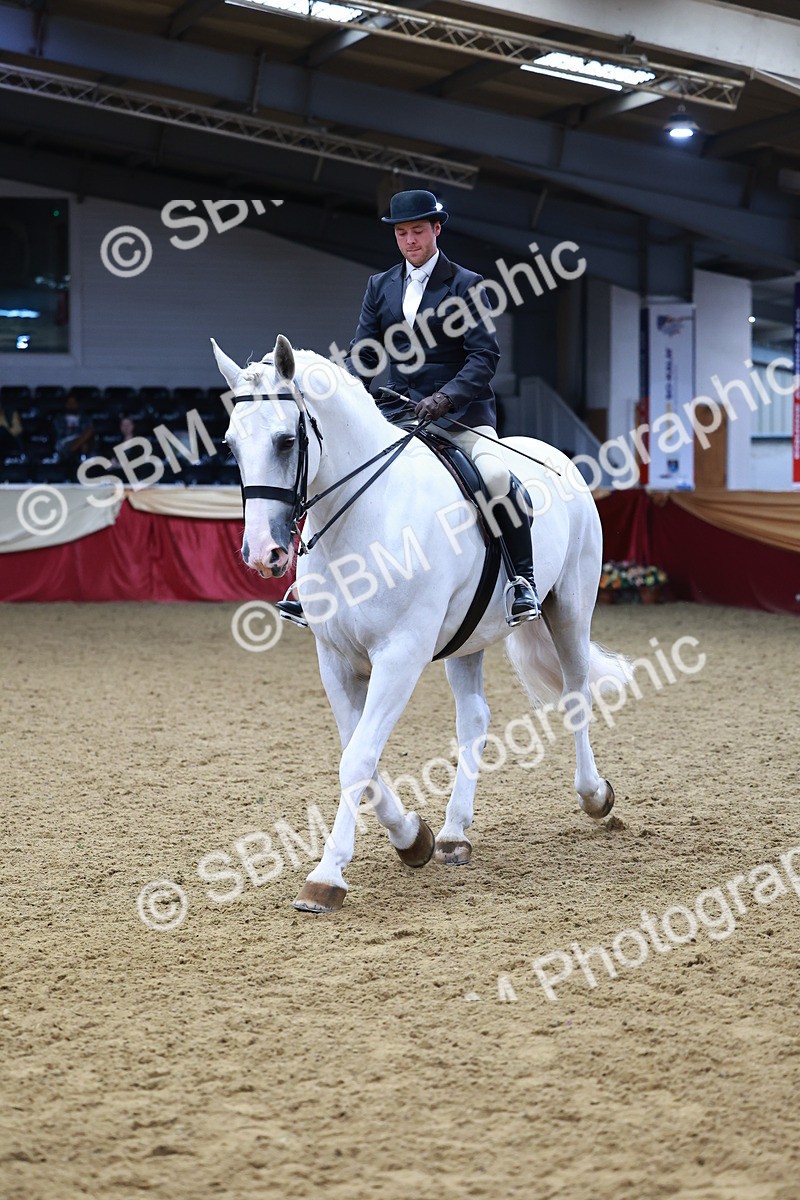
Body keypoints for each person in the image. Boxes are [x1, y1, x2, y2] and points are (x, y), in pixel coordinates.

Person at [278, 188, 540, 629]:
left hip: (460, 416)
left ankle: (521, 582)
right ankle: (312, 585)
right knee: (334, 473)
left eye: (418, 231)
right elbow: (363, 354)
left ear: (436, 228)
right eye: (401, 233)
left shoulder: (466, 284)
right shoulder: (380, 286)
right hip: (397, 411)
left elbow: (484, 357)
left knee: (496, 477)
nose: (410, 241)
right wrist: (341, 399)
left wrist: (447, 398)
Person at [53, 393, 94, 464]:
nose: (71, 405)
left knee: (89, 436)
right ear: (65, 405)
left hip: (83, 442)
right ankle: (73, 450)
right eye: (69, 403)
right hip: (64, 443)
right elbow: (60, 433)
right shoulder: (59, 418)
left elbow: (89, 431)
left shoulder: (85, 418)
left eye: (74, 403)